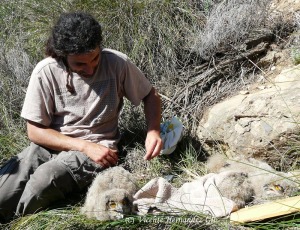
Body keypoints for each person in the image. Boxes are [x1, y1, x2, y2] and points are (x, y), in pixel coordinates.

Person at [0, 12, 162, 222]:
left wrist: (153, 130)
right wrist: (82, 145)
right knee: (4, 190)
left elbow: (151, 95)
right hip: (53, 144)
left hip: (98, 148)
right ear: (62, 56)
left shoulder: (116, 63)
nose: (91, 67)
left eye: (95, 58)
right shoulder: (46, 71)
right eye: (80, 64)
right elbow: (35, 131)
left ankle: (17, 221)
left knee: (43, 181)